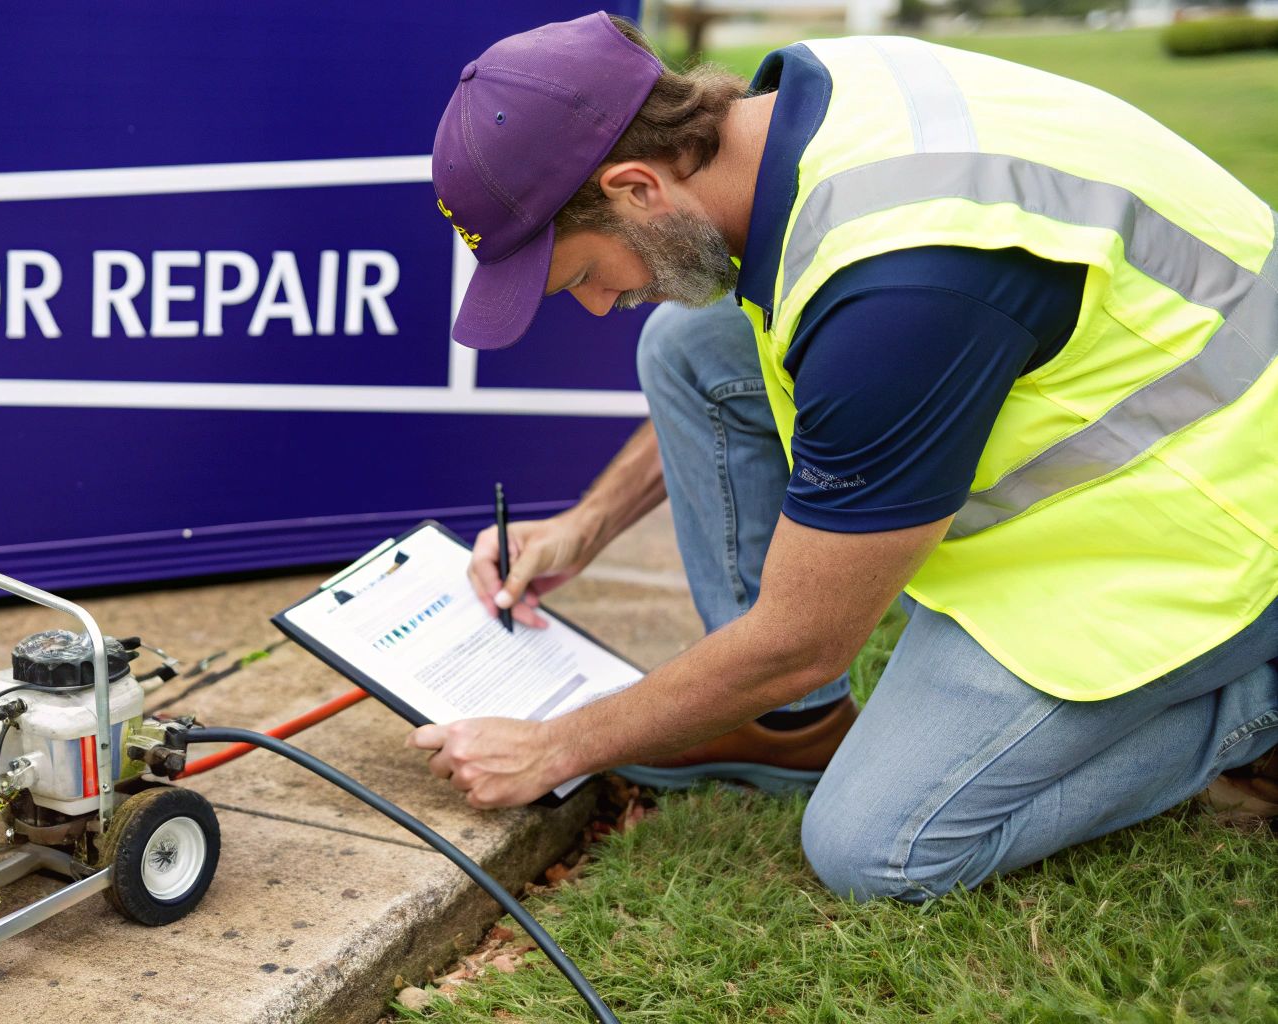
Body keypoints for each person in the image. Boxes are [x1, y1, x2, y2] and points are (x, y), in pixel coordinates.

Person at [406, 12, 1278, 902]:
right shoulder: (808, 114)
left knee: (878, 849)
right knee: (688, 345)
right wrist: (587, 527)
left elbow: (807, 640)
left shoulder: (899, 290)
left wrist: (558, 744)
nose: (596, 305)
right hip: (1169, 403)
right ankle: (784, 731)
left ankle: (1254, 701)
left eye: (582, 274)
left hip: (1223, 527)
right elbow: (805, 372)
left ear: (636, 186)